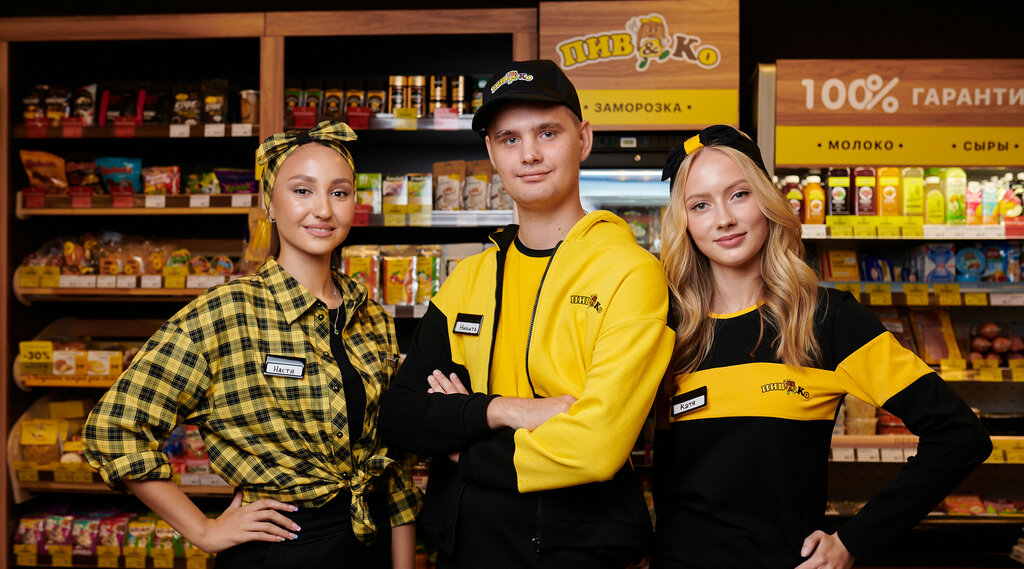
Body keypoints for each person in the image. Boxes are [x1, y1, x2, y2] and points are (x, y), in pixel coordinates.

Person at [83, 120, 421, 569]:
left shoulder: (372, 317)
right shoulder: (226, 312)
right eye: (302, 190)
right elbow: (114, 430)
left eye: (339, 192)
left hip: (369, 542)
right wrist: (204, 531)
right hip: (278, 549)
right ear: (270, 203)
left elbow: (394, 464)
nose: (323, 209)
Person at [652, 125, 992, 569]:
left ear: (767, 202)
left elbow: (960, 436)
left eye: (739, 195)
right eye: (700, 205)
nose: (723, 219)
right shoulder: (667, 327)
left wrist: (854, 540)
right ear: (684, 223)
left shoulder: (827, 320)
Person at [379, 59, 675, 568]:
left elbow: (595, 447)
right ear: (492, 152)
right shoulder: (467, 279)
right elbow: (400, 416)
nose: (530, 154)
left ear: (583, 139)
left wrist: (464, 445)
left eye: (547, 133)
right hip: (465, 550)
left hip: (576, 553)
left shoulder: (631, 273)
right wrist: (502, 411)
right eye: (509, 138)